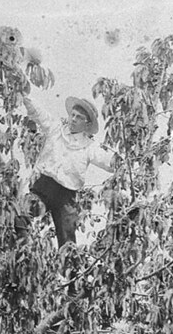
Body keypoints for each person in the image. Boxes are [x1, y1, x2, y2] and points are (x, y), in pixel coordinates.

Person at [21, 93, 116, 246]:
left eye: (79, 117)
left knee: (68, 242)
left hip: (66, 195)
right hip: (44, 186)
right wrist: (25, 96)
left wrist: (126, 163)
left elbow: (108, 160)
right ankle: (23, 251)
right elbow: (39, 113)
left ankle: (67, 261)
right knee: (23, 215)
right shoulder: (56, 129)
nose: (73, 119)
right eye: (73, 115)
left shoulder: (89, 147)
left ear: (87, 124)